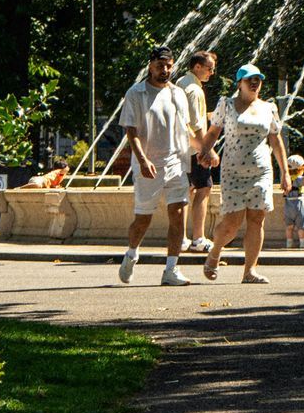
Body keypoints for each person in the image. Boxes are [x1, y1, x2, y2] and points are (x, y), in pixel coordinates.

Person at [116, 46, 199, 286]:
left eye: (169, 66)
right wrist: (143, 160)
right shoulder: (136, 93)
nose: (165, 70)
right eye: (160, 65)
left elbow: (185, 128)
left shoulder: (177, 93)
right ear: (150, 66)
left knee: (179, 214)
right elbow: (131, 131)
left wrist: (204, 149)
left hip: (175, 163)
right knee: (143, 219)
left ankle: (171, 269)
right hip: (148, 164)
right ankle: (132, 253)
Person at [202, 65, 289, 284]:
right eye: (249, 79)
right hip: (233, 172)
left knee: (257, 220)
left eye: (258, 79)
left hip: (261, 171)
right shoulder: (227, 104)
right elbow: (213, 132)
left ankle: (250, 271)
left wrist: (285, 172)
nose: (254, 83)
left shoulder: (268, 108)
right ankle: (215, 251)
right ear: (239, 83)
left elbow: (275, 140)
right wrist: (204, 151)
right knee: (231, 224)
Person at [177, 50, 219, 253]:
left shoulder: (181, 83)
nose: (212, 73)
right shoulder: (194, 90)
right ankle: (199, 238)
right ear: (197, 67)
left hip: (179, 147)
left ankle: (181, 238)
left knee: (185, 191)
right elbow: (195, 125)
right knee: (204, 188)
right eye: (209, 69)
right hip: (193, 149)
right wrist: (207, 150)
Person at [282, 153, 304, 249]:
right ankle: (303, 242)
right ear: (300, 169)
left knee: (289, 226)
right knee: (300, 225)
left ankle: (289, 244)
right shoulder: (298, 179)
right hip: (298, 204)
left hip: (287, 206)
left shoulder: (286, 179)